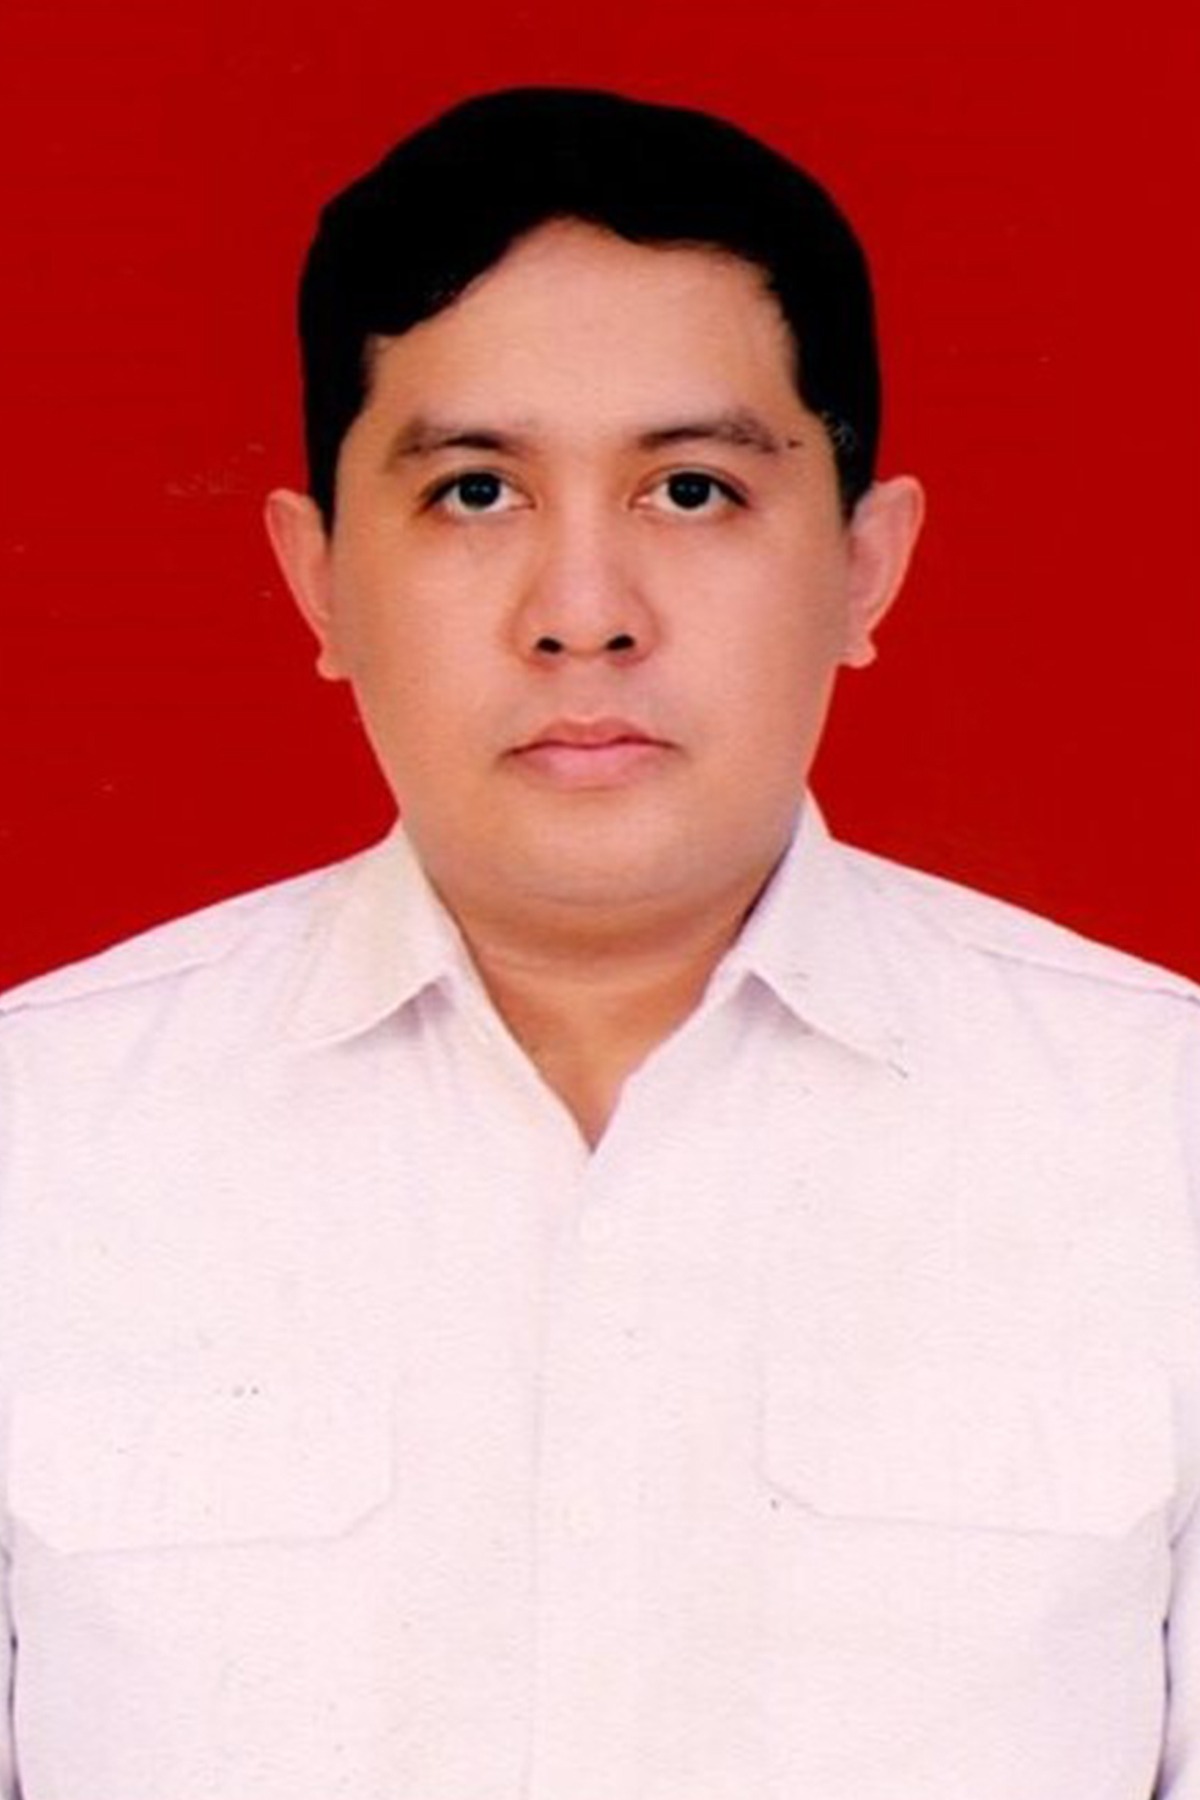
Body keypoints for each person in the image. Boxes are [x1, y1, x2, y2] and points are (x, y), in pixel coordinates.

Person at [0, 85, 1195, 1800]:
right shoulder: (36, 1143)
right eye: (475, 491)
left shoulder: (1160, 1135)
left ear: (866, 567)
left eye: (692, 491)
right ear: (318, 578)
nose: (583, 612)